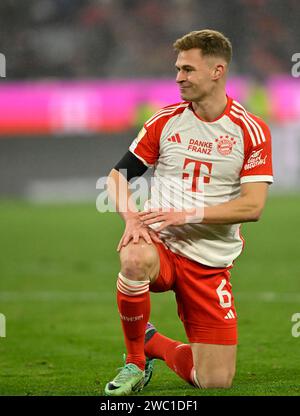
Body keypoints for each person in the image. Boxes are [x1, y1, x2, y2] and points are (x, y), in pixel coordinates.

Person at [104, 29, 273, 396]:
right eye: (177, 69)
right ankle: (133, 361)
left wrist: (186, 215)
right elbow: (117, 177)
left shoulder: (251, 131)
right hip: (161, 246)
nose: (178, 77)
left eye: (187, 69)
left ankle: (153, 345)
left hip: (209, 262)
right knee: (133, 255)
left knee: (214, 381)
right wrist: (132, 218)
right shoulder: (166, 121)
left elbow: (253, 206)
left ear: (217, 70)